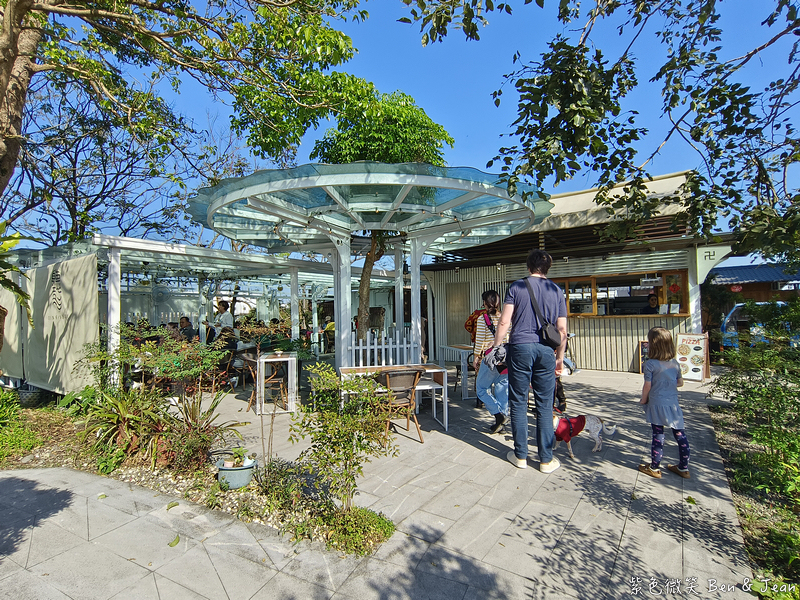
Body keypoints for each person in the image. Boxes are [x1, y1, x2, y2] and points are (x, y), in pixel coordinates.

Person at [491, 249, 567, 473]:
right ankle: (545, 459)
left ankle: (520, 455)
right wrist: (560, 358)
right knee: (544, 404)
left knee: (518, 401)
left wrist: (496, 347)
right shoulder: (556, 290)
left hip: (520, 348)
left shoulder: (516, 287)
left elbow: (504, 322)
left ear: (528, 267)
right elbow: (562, 329)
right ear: (548, 268)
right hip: (546, 351)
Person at [638, 327, 691, 479]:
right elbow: (680, 383)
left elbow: (647, 386)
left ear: (654, 345)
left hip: (656, 403)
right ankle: (684, 467)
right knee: (680, 433)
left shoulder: (650, 364)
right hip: (673, 403)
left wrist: (643, 400)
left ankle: (655, 467)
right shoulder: (675, 364)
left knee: (658, 434)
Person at [473, 290, 510, 434]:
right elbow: (510, 338)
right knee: (502, 390)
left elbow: (480, 340)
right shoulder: (506, 318)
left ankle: (498, 415)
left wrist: (476, 356)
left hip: (491, 360)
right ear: (498, 302)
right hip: (505, 359)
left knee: (481, 388)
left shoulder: (483, 319)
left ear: (484, 303)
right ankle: (502, 424)